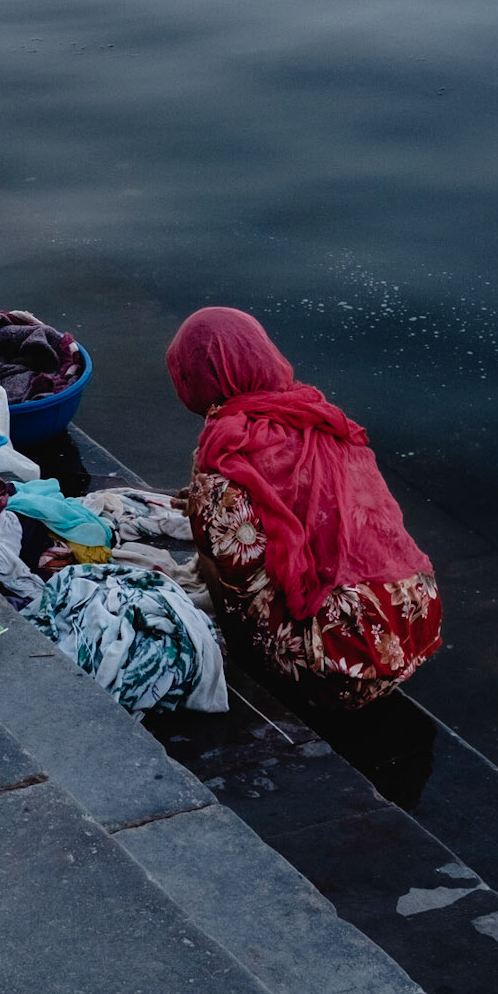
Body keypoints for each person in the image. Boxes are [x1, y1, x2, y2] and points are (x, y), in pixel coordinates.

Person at [166, 306, 441, 717]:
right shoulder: (318, 416)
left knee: (213, 551)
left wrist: (204, 513)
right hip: (416, 620)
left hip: (341, 670)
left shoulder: (225, 452)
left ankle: (257, 670)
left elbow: (238, 571)